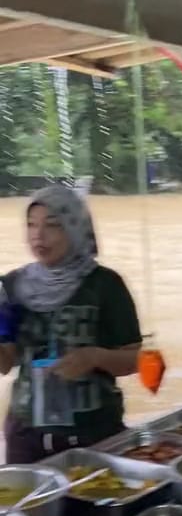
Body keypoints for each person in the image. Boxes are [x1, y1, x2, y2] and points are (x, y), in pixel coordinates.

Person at [0, 185, 141, 463]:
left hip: (94, 432)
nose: (38, 235)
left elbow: (138, 360)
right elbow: (6, 363)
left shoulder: (105, 285)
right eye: (31, 225)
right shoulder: (12, 286)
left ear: (75, 227)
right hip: (26, 436)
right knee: (25, 507)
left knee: (95, 506)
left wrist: (95, 356)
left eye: (51, 225)